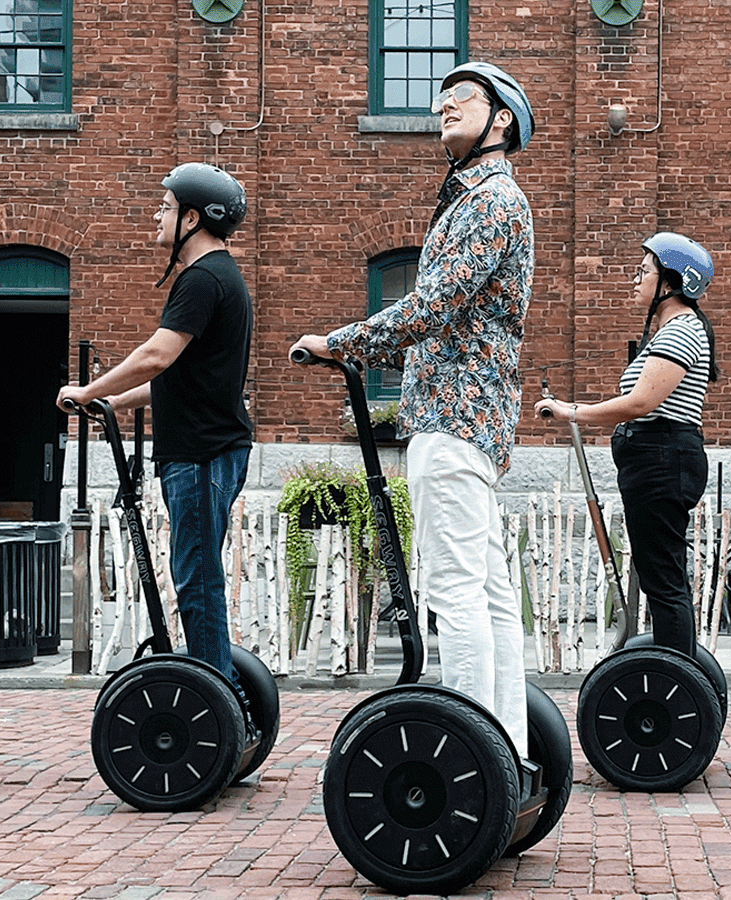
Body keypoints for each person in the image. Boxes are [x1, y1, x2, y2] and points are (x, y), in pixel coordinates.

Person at [289, 61, 536, 756]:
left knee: (457, 593)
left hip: (453, 425)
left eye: (463, 99)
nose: (444, 107)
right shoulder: (475, 200)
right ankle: (507, 751)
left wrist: (343, 343)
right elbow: (447, 321)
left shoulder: (491, 202)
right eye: (440, 101)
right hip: (463, 422)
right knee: (487, 595)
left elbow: (434, 306)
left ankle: (466, 751)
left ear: (502, 120)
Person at [56, 163, 254, 695]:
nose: (157, 215)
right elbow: (184, 378)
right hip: (209, 449)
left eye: (166, 207)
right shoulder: (219, 276)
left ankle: (219, 697)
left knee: (197, 579)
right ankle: (222, 690)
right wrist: (117, 402)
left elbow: (157, 356)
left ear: (192, 218)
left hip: (200, 455)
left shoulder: (202, 277)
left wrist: (87, 390)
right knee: (197, 573)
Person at [534, 233, 717, 659]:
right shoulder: (670, 331)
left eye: (644, 271)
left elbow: (640, 403)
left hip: (662, 460)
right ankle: (682, 672)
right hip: (656, 460)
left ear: (671, 283)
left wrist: (570, 411)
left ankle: (682, 680)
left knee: (664, 580)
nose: (635, 279)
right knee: (661, 577)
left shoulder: (681, 332)